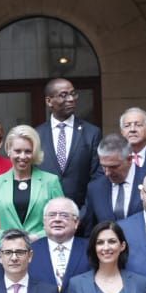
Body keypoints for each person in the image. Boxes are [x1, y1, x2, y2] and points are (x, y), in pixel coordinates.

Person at [0, 125, 63, 242]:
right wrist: (7, 236)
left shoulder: (51, 181)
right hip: (8, 253)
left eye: (28, 151)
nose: (22, 156)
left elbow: (62, 221)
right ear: (9, 150)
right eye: (18, 151)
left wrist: (37, 237)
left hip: (41, 249)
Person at [35, 77, 100, 206]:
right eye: (63, 95)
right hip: (44, 213)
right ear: (49, 101)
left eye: (73, 94)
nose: (71, 99)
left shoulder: (91, 133)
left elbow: (97, 178)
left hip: (81, 212)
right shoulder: (37, 135)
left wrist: (84, 213)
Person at [84, 134, 143, 227]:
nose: (107, 173)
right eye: (103, 166)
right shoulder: (95, 188)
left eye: (113, 167)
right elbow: (90, 229)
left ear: (129, 159)